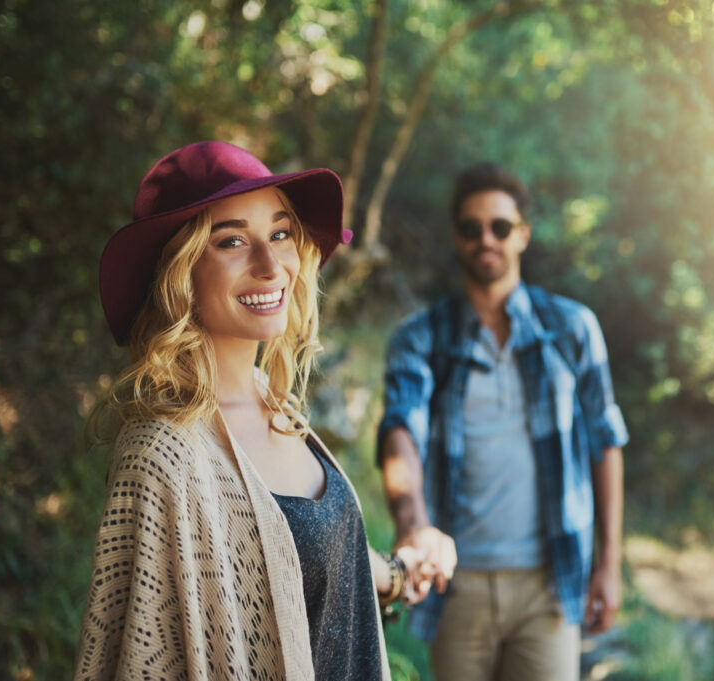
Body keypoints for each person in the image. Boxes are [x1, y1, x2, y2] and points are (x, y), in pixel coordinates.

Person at [76, 141, 442, 681]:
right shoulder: (161, 456)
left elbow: (306, 562)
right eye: (231, 242)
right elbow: (138, 661)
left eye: (280, 233)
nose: (271, 266)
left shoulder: (279, 407)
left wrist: (400, 569)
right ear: (179, 272)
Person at [377, 162, 629, 680]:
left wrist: (609, 564)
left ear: (523, 235)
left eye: (500, 227)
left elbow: (606, 442)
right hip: (458, 586)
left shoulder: (573, 328)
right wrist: (414, 524)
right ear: (456, 237)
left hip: (548, 582)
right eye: (471, 228)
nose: (485, 239)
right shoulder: (420, 337)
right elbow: (401, 427)